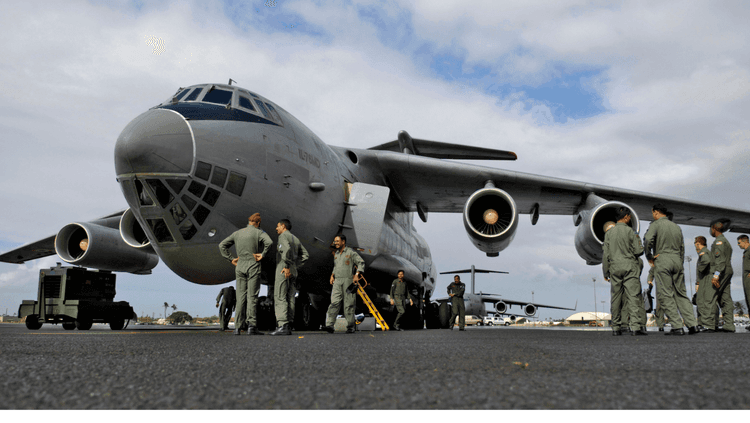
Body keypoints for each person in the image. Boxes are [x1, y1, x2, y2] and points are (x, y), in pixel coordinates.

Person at [643, 203, 698, 335]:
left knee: (665, 294)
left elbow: (648, 240)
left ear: (655, 212)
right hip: (677, 260)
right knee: (681, 294)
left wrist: (649, 256)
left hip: (663, 259)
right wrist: (680, 262)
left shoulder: (655, 225)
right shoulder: (676, 227)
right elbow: (682, 247)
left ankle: (677, 326)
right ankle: (692, 325)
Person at [219, 213, 273, 335]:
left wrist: (230, 259)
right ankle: (251, 326)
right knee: (252, 297)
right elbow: (269, 242)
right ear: (258, 223)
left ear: (249, 222)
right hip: (253, 264)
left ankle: (237, 327)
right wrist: (262, 254)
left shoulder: (237, 233)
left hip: (240, 265)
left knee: (240, 297)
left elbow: (222, 245)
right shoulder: (259, 232)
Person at [602, 208, 646, 336]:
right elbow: (639, 251)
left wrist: (606, 272)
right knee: (632, 296)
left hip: (614, 268)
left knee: (615, 298)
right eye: (629, 216)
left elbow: (605, 255)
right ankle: (635, 327)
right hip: (629, 266)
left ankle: (616, 327)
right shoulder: (631, 232)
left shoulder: (608, 234)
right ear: (626, 217)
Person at [270, 219, 309, 336]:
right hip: (293, 271)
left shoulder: (283, 236)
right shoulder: (295, 238)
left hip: (284, 268)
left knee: (280, 296)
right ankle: (289, 324)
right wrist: (294, 266)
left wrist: (286, 266)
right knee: (290, 297)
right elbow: (305, 255)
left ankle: (282, 325)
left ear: (283, 226)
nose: (276, 228)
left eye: (278, 226)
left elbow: (286, 250)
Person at [323, 234, 365, 334]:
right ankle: (329, 325)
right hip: (337, 281)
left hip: (348, 281)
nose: (335, 243)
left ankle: (350, 326)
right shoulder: (336, 254)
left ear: (343, 242)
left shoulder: (351, 252)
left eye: (337, 241)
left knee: (349, 304)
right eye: (335, 241)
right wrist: (332, 275)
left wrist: (357, 274)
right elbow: (336, 266)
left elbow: (361, 262)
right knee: (334, 302)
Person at [709, 219, 735, 333]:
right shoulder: (725, 241)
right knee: (725, 298)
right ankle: (729, 325)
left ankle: (711, 325)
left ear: (714, 228)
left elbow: (720, 260)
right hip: (727, 270)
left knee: (711, 296)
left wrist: (716, 275)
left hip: (721, 271)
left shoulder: (719, 242)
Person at [694, 236, 716, 332]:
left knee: (707, 301)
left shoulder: (704, 252)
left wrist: (700, 269)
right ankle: (704, 323)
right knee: (702, 301)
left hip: (706, 278)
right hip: (705, 278)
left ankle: (709, 325)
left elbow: (706, 261)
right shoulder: (706, 252)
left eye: (695, 244)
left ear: (698, 244)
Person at [646, 258, 666, 331]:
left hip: (669, 286)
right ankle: (660, 325)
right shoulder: (657, 263)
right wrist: (649, 280)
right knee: (659, 306)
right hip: (660, 287)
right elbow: (651, 272)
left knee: (670, 305)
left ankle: (675, 325)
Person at [738, 234, 750, 323]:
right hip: (746, 280)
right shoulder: (746, 252)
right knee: (748, 300)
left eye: (739, 243)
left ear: (744, 241)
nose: (738, 245)